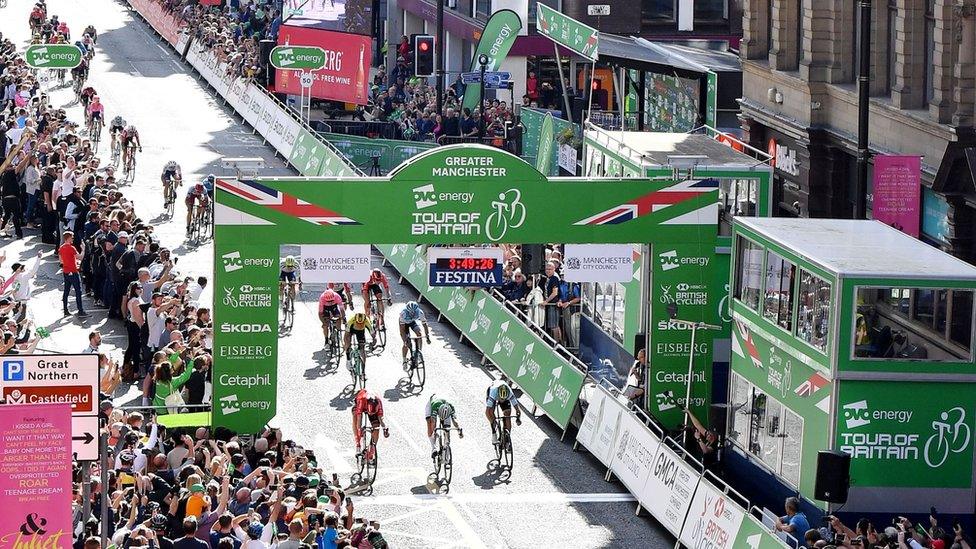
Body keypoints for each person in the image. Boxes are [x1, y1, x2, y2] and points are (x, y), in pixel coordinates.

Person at [352, 388, 388, 461]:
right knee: (355, 418)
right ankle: (358, 444)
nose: (370, 414)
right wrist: (360, 431)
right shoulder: (361, 400)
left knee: (376, 427)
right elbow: (359, 418)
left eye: (372, 413)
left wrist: (385, 429)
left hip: (372, 407)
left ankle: (371, 451)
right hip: (360, 404)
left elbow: (381, 419)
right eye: (370, 413)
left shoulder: (379, 402)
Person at [58, 231, 87, 316]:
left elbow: (61, 261)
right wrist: (83, 249)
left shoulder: (61, 248)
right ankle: (80, 310)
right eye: (72, 237)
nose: (73, 239)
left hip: (66, 272)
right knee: (78, 291)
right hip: (73, 272)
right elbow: (80, 257)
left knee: (66, 291)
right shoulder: (71, 248)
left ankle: (65, 310)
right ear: (69, 238)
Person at [425, 394, 462, 460]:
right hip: (432, 405)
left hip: (445, 410)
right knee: (430, 427)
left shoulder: (451, 408)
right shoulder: (435, 407)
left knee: (447, 430)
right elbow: (433, 422)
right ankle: (433, 448)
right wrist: (434, 432)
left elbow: (454, 421)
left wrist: (459, 430)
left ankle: (446, 453)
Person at [485, 379, 521, 445]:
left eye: (503, 399)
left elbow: (517, 408)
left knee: (507, 415)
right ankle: (494, 434)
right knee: (491, 412)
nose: (502, 400)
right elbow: (487, 412)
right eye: (501, 399)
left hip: (503, 394)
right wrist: (493, 422)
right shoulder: (493, 392)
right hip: (493, 394)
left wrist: (518, 415)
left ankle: (507, 437)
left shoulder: (509, 393)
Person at [398, 300, 429, 372]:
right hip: (404, 325)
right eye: (410, 312)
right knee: (406, 344)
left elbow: (425, 325)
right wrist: (405, 340)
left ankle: (418, 352)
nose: (412, 313)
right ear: (407, 310)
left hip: (412, 322)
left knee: (419, 334)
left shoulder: (420, 312)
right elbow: (402, 330)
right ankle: (404, 360)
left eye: (414, 312)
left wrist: (427, 336)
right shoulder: (403, 314)